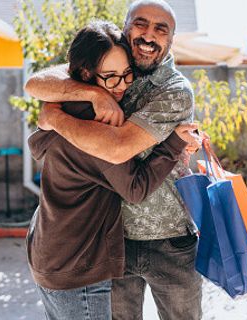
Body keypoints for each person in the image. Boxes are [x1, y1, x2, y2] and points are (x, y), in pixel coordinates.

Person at [25, 1, 203, 319]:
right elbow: (35, 85)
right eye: (141, 24)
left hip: (168, 238)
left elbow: (117, 149)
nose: (149, 34)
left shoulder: (174, 90)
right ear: (125, 28)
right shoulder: (104, 72)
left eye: (161, 29)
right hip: (112, 241)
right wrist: (91, 95)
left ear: (172, 40)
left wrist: (54, 114)